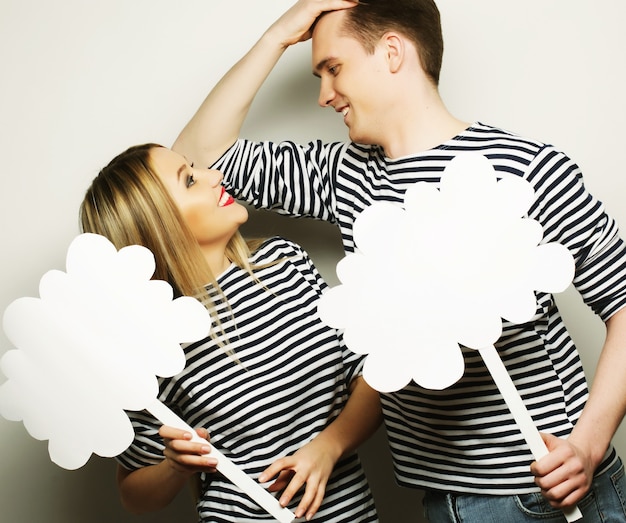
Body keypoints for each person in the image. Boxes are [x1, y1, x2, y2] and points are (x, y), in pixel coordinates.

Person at [171, 0, 626, 521]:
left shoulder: (528, 167)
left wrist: (588, 445)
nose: (323, 96)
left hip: (541, 492)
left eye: (333, 68)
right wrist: (278, 34)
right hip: (440, 499)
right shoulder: (346, 177)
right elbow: (194, 160)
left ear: (391, 52)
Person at [79, 143, 381, 522]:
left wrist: (329, 446)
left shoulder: (286, 263)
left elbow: (371, 376)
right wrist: (175, 466)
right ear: (158, 224)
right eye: (190, 180)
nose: (215, 176)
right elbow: (134, 494)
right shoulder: (155, 339)